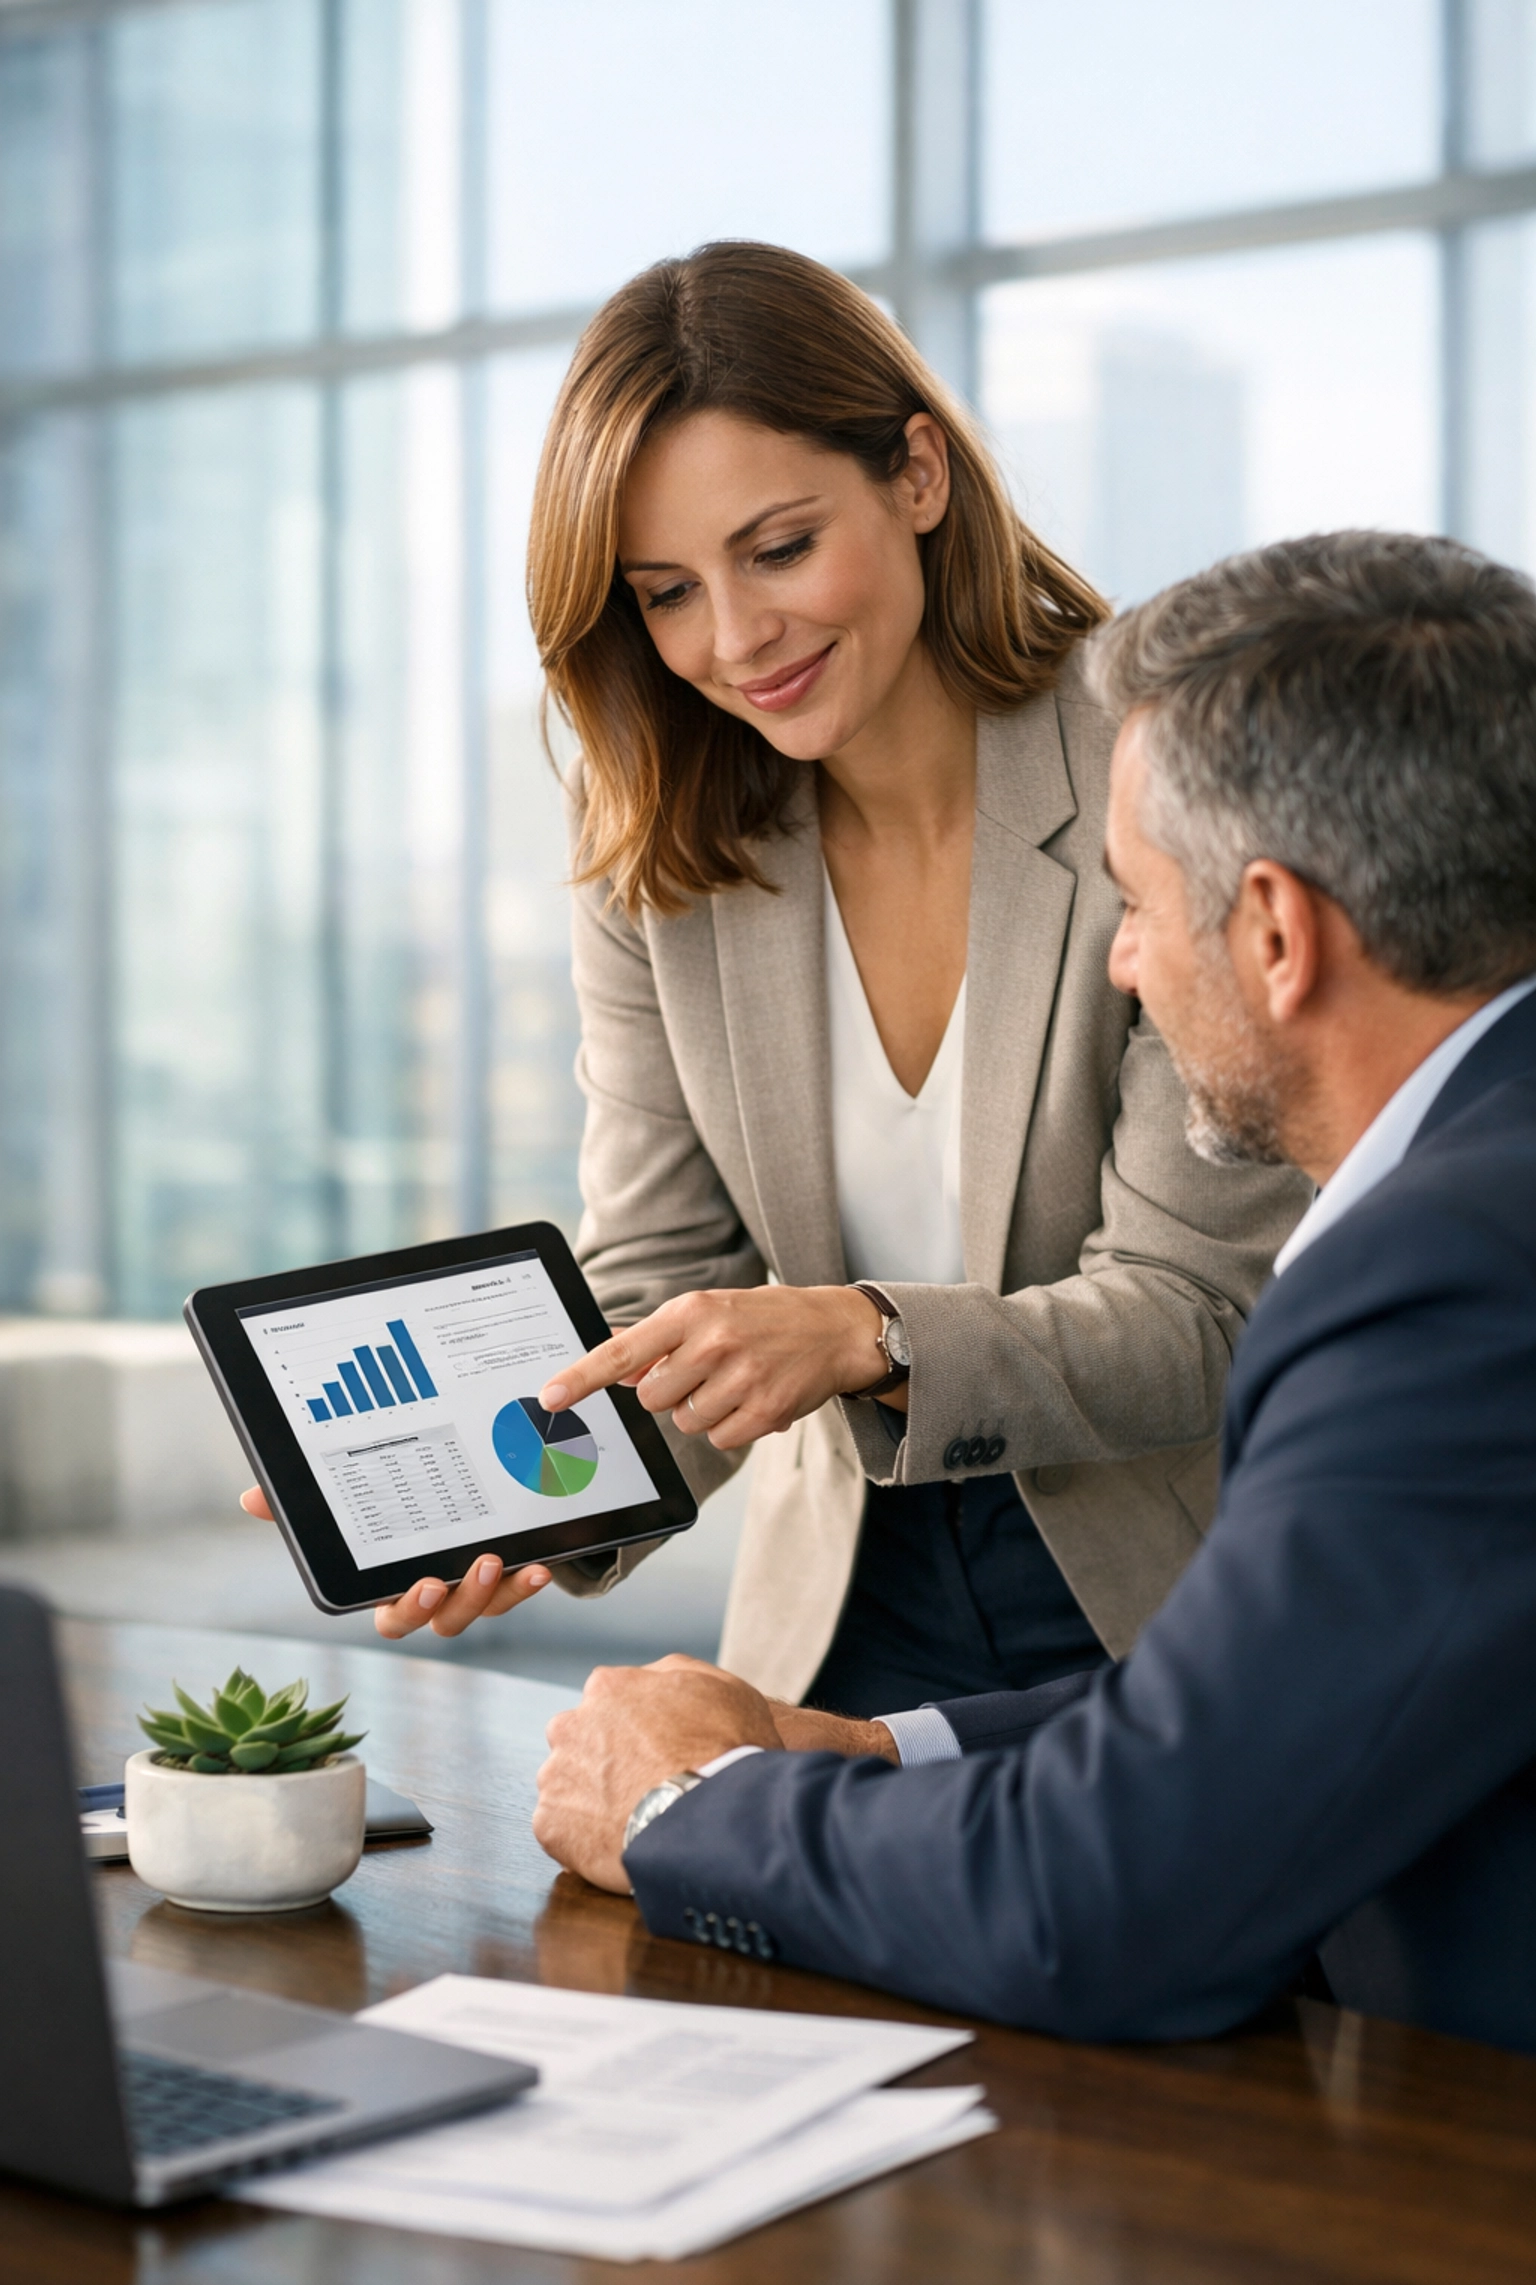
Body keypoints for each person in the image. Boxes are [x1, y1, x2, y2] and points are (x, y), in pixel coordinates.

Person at [530, 529, 1536, 2059]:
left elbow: (1115, 1900)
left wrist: (686, 1810)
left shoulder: (1449, 1283)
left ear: (1275, 932)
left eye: (1135, 903)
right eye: (667, 589)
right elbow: (1269, 1710)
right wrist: (870, 1746)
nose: (1121, 965)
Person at [259, 241, 1302, 1713]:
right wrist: (534, 1494)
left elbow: (1195, 1307)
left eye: (780, 548)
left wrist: (865, 1333)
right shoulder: (665, 849)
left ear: (920, 474)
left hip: (1168, 1602)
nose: (737, 641)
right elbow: (665, 1272)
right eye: (667, 591)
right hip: (839, 1613)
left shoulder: (1153, 755)